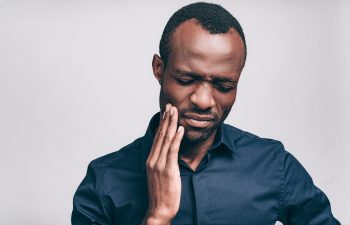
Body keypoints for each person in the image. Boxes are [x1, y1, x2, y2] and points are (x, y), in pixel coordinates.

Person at [71, 2, 340, 225]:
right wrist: (157, 217)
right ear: (158, 69)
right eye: (186, 79)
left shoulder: (273, 165)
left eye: (223, 86)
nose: (203, 101)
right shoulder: (104, 181)